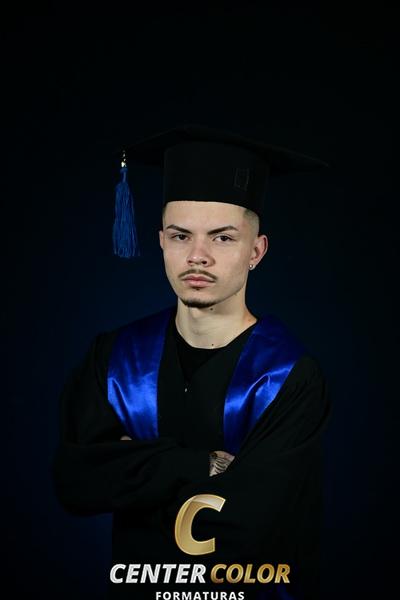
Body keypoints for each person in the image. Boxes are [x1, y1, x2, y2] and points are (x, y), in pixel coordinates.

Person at [52, 125, 331, 600]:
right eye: (181, 235)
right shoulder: (115, 358)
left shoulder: (289, 378)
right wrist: (202, 465)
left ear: (256, 251)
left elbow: (251, 529)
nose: (197, 256)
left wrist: (131, 469)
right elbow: (75, 482)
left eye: (222, 238)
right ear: (161, 240)